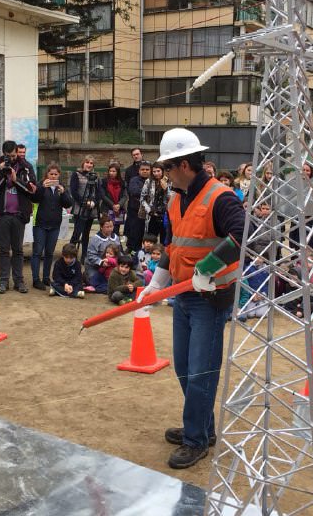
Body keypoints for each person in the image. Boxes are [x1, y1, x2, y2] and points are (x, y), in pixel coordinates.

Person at [136, 127, 244, 469]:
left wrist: (209, 267)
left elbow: (243, 235)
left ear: (183, 164)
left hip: (211, 298)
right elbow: (175, 245)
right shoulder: (176, 199)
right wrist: (158, 281)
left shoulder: (220, 196)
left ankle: (196, 439)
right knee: (184, 368)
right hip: (182, 295)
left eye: (167, 167)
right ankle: (203, 428)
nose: (163, 174)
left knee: (201, 372)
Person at [0, 140, 37, 294]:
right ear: (3, 154)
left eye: (14, 155)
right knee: (3, 250)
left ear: (18, 152)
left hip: (19, 215)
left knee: (18, 250)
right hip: (2, 215)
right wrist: (3, 175)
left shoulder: (26, 166)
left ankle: (19, 281)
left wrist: (16, 180)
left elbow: (32, 189)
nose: (12, 158)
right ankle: (4, 281)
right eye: (8, 156)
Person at [31, 162, 72, 291]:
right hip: (40, 225)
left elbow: (68, 204)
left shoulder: (61, 187)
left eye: (56, 174)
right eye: (51, 174)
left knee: (49, 253)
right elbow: (34, 199)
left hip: (54, 225)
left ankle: (46, 278)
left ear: (59, 175)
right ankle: (36, 279)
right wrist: (42, 187)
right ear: (47, 174)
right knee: (37, 252)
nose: (53, 176)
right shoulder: (40, 185)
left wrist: (64, 192)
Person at [69, 155, 101, 262]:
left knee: (86, 233)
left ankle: (84, 256)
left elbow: (99, 192)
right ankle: (70, 254)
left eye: (91, 163)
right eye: (87, 162)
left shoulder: (96, 176)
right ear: (83, 163)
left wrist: (94, 202)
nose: (89, 165)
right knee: (77, 232)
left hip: (91, 208)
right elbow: (74, 191)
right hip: (80, 208)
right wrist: (84, 203)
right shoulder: (76, 174)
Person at [85, 215, 122, 293]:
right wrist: (101, 262)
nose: (110, 229)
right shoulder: (95, 239)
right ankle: (86, 276)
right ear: (101, 227)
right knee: (94, 280)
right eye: (107, 227)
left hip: (112, 267)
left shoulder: (116, 238)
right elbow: (90, 255)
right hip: (95, 267)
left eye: (111, 226)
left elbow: (120, 253)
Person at [124, 161, 151, 253]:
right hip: (135, 210)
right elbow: (134, 191)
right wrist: (148, 193)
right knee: (134, 231)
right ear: (139, 171)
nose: (145, 171)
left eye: (147, 169)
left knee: (145, 232)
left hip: (148, 211)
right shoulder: (134, 180)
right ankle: (132, 250)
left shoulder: (152, 180)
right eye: (142, 169)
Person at [140, 162, 169, 243]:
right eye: (154, 171)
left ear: (162, 171)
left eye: (158, 171)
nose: (156, 173)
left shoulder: (169, 181)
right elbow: (142, 198)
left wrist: (166, 189)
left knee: (165, 239)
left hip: (165, 214)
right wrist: (149, 210)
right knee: (151, 239)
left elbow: (171, 198)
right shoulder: (148, 181)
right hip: (152, 214)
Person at [101, 162, 127, 237]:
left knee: (116, 230)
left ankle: (115, 246)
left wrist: (119, 205)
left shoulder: (122, 183)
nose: (111, 173)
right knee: (106, 229)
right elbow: (103, 195)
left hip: (118, 210)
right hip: (107, 209)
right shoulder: (104, 182)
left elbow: (125, 196)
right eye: (110, 171)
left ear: (117, 172)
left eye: (114, 171)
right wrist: (113, 205)